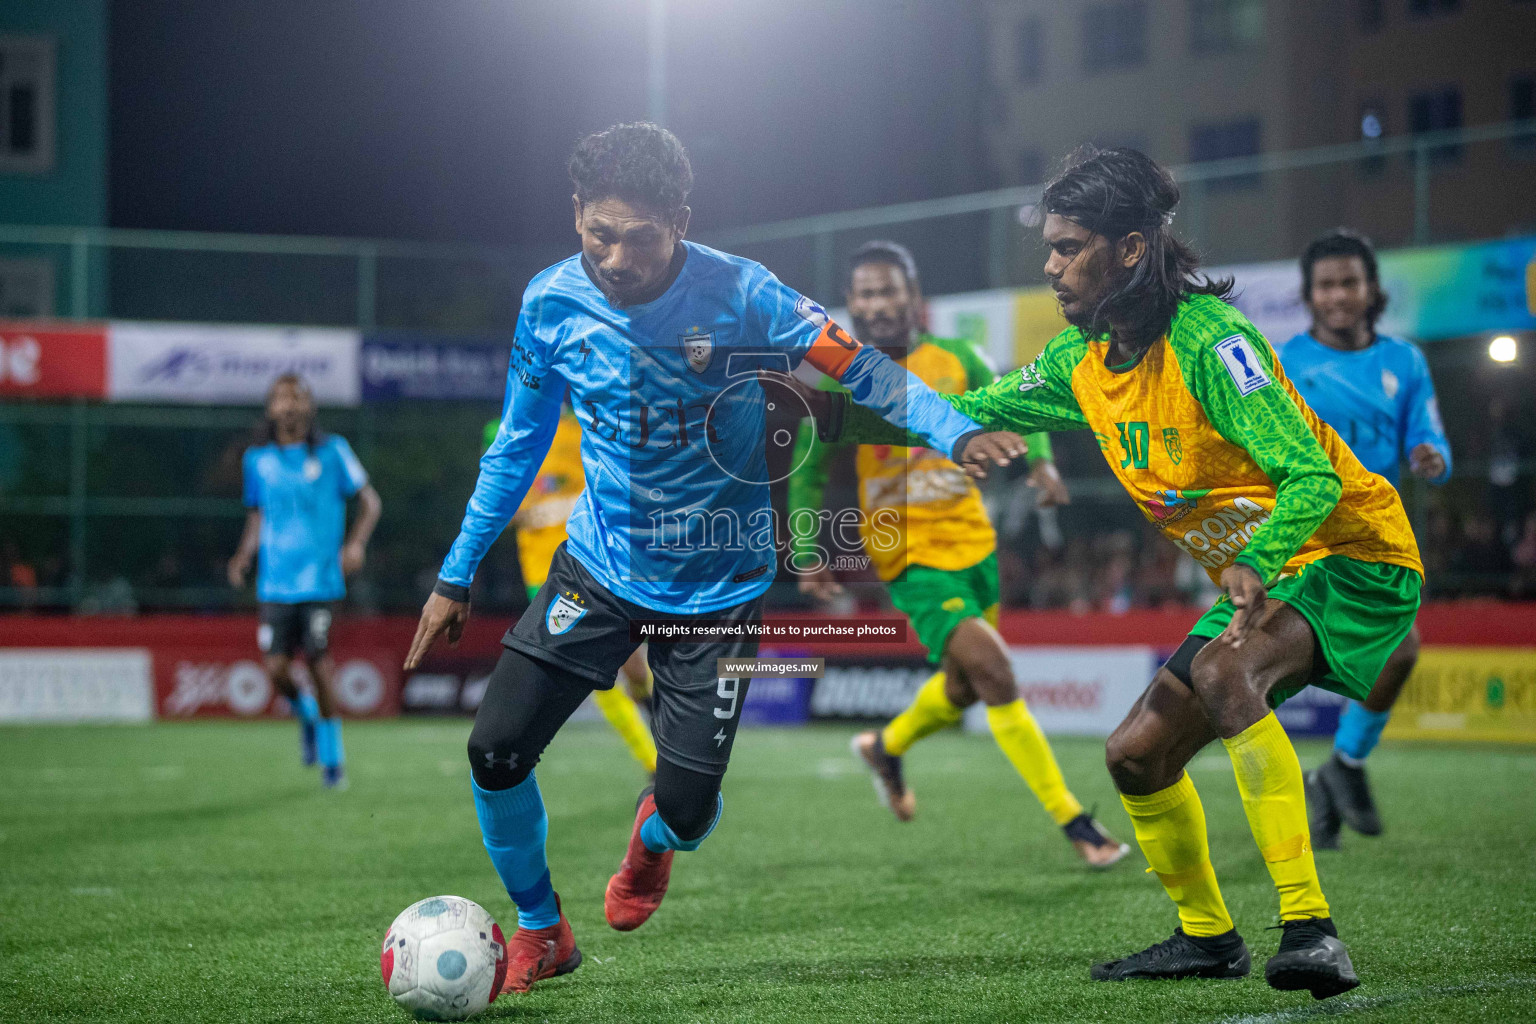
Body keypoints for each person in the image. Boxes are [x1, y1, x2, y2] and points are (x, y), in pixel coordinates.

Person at [401, 123, 1021, 998]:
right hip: (599, 572)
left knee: (688, 817)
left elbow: (866, 370)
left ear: (681, 222)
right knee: (495, 752)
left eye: (640, 237)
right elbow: (516, 448)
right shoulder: (549, 302)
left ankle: (652, 842)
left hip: (718, 594)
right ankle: (543, 929)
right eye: (598, 232)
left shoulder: (746, 294)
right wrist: (455, 574)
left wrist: (955, 430)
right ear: (576, 213)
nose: (615, 257)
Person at [824, 148, 1423, 999]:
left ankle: (1311, 930)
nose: (1051, 264)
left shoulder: (1213, 346)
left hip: (1352, 554)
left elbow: (1313, 477)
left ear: (1131, 249)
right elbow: (957, 413)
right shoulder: (1080, 361)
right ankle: (1208, 937)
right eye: (1052, 247)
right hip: (1271, 573)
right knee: (1135, 756)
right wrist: (822, 414)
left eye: (1069, 247)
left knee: (1224, 669)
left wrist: (1252, 559)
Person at [788, 240, 1127, 867]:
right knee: (995, 672)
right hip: (908, 554)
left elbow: (1024, 403)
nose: (877, 303)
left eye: (889, 289)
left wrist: (1044, 464)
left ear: (914, 299)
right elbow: (806, 475)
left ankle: (885, 746)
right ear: (850, 305)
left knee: (964, 688)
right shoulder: (836, 380)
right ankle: (1076, 823)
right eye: (864, 293)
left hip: (974, 542)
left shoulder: (960, 357)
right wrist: (808, 552)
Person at [1278, 230, 1452, 849]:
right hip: (1303, 534)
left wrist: (1432, 455)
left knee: (1401, 653)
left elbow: (1427, 431)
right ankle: (1304, 792)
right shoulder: (1283, 361)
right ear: (1309, 295)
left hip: (1377, 535)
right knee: (1265, 668)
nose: (1338, 295)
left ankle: (1342, 767)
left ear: (1371, 288)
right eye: (1326, 285)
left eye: (1349, 282)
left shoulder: (1404, 361)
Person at [228, 373, 382, 789]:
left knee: (317, 662)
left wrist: (355, 545)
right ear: (271, 408)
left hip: (320, 581)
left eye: (298, 397)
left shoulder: (334, 452)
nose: (290, 404)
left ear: (310, 407)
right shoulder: (257, 459)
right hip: (274, 584)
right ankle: (306, 715)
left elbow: (370, 502)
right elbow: (256, 516)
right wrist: (244, 554)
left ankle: (333, 761)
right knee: (276, 669)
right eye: (281, 397)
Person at [490, 408, 659, 776]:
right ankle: (651, 759)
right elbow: (501, 506)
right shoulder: (502, 431)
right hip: (543, 572)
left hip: (599, 558)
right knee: (590, 666)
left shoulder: (588, 423)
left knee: (633, 666)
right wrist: (547, 511)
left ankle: (652, 708)